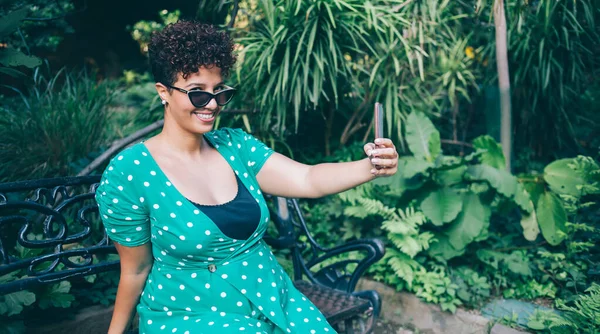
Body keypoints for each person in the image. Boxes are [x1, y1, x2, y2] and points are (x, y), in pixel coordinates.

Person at [96, 20, 399, 334]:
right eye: (197, 93)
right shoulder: (130, 173)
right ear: (164, 92)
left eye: (219, 91)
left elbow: (307, 179)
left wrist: (371, 166)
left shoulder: (235, 146)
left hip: (270, 297)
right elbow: (136, 268)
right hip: (189, 313)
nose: (212, 104)